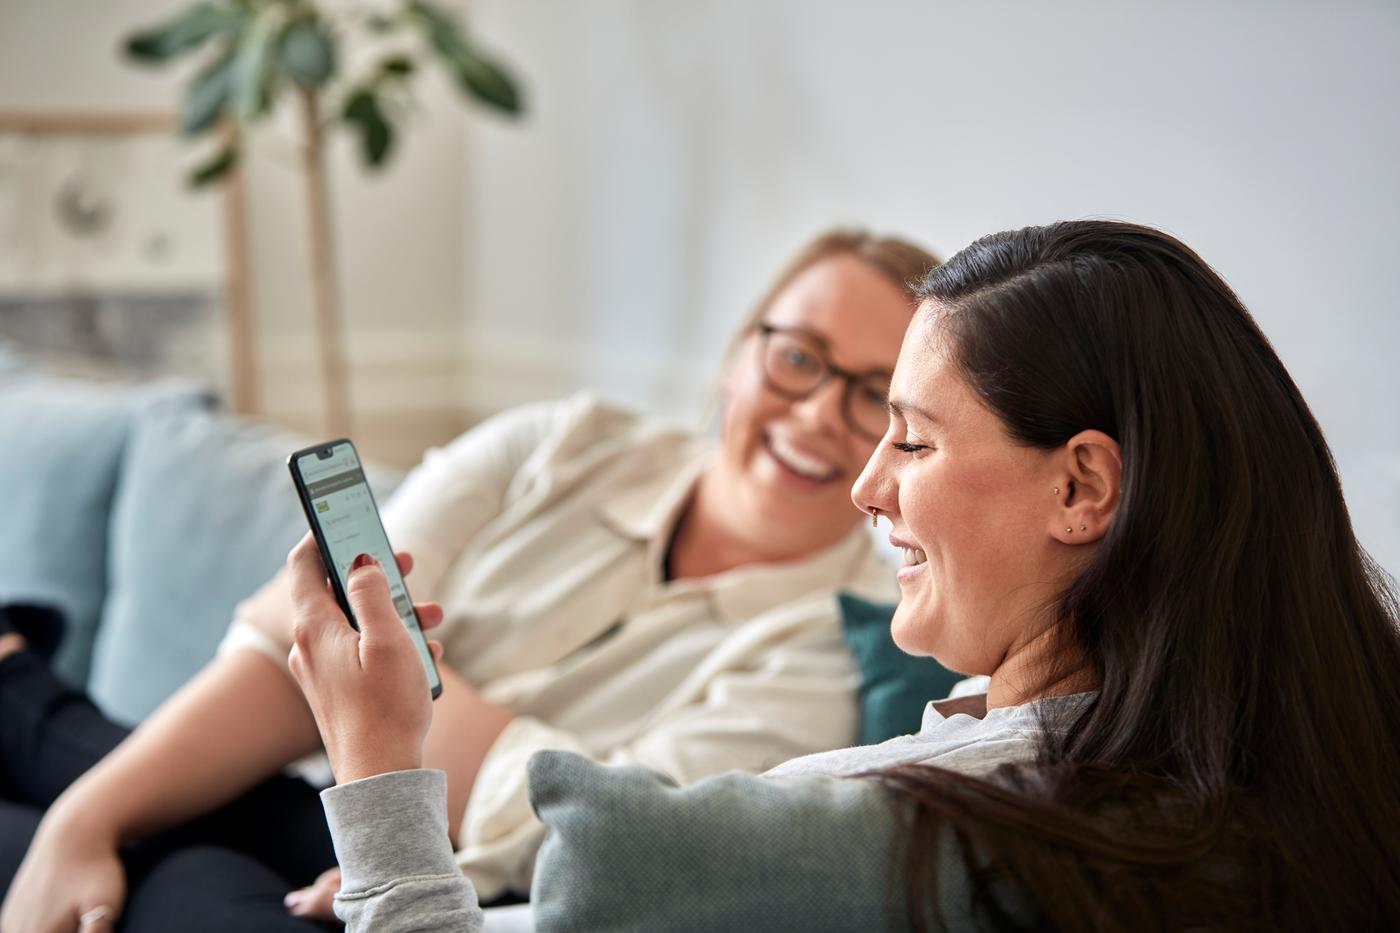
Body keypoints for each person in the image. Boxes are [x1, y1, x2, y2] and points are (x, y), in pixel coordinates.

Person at [281, 220, 1400, 931]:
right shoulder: (1273, 770)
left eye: (907, 437)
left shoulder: (900, 835)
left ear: (1080, 491)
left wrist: (379, 765)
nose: (865, 486)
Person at [0, 229, 941, 933]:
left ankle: (18, 696)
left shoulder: (834, 648)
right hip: (295, 798)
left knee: (190, 872)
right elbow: (296, 648)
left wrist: (375, 704)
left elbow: (604, 836)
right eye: (798, 356)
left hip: (431, 886)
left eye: (872, 391)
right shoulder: (561, 441)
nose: (819, 412)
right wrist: (81, 822)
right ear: (742, 352)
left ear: (903, 427)